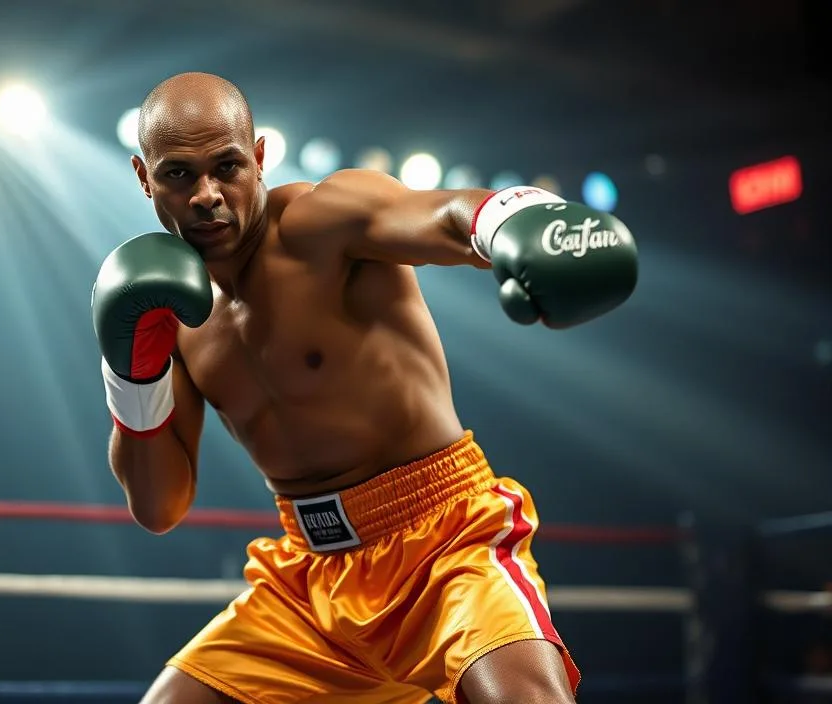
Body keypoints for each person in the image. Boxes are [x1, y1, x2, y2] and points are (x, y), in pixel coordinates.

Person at [92, 71, 638, 704]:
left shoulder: (322, 220)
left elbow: (441, 216)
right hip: (306, 578)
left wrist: (517, 223)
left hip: (442, 542)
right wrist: (130, 372)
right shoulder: (169, 315)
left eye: (228, 167)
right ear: (143, 176)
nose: (208, 195)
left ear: (261, 157)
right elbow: (159, 507)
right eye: (179, 174)